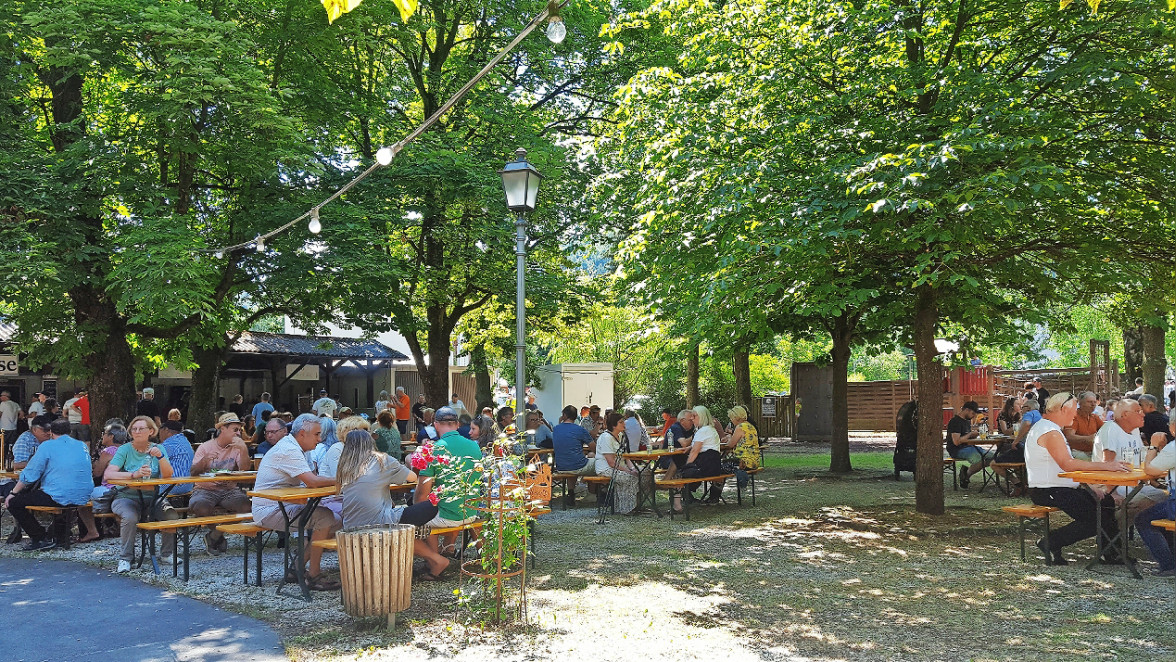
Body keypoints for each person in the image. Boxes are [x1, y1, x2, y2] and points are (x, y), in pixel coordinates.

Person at [1026, 392, 1131, 566]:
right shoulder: (1049, 431)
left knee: (1106, 503)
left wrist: (1089, 486)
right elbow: (1068, 464)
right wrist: (1107, 465)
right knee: (1094, 520)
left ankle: (1111, 551)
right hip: (1048, 490)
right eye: (1074, 410)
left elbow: (1065, 466)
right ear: (1062, 409)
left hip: (1062, 487)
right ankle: (1050, 542)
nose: (1075, 414)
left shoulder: (1051, 429)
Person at [336, 430, 446, 575]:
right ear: (371, 443)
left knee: (402, 527)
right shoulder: (381, 460)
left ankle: (435, 560)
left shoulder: (344, 465)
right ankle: (436, 558)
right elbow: (412, 477)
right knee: (430, 506)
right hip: (379, 522)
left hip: (350, 525)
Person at [252, 413, 341, 590]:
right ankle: (313, 575)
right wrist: (344, 479)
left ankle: (297, 568)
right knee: (325, 518)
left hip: (281, 505)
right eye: (316, 434)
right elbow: (312, 481)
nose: (320, 438)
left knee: (336, 521)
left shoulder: (297, 448)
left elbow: (311, 480)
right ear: (302, 434)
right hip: (268, 509)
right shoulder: (289, 450)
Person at [3, 418, 94, 551]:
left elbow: (31, 473)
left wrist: (13, 493)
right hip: (83, 494)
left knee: (14, 502)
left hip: (59, 495)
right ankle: (58, 535)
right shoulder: (82, 446)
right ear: (69, 431)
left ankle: (40, 537)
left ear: (51, 432)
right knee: (47, 493)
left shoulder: (47, 446)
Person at [105, 415, 180, 573]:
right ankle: (125, 558)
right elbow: (109, 475)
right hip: (126, 496)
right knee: (130, 517)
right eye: (134, 429)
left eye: (141, 428)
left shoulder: (158, 448)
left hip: (152, 497)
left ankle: (167, 554)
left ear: (151, 431)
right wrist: (134, 474)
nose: (137, 432)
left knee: (171, 515)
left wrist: (160, 456)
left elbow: (168, 475)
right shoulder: (124, 449)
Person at [416, 407, 482, 576]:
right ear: (458, 425)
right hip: (471, 511)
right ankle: (448, 548)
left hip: (448, 516)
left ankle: (434, 561)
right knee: (444, 505)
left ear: (435, 425)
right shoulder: (475, 447)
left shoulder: (433, 449)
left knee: (420, 513)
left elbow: (422, 495)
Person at [189, 413, 252, 556]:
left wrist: (243, 450)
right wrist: (203, 462)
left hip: (229, 489)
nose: (238, 433)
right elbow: (193, 472)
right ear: (223, 429)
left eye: (239, 430)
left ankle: (214, 535)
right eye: (235, 430)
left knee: (246, 507)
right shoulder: (205, 447)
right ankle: (219, 535)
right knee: (200, 507)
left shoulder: (237, 447)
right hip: (205, 489)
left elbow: (245, 470)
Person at [1091, 399, 1167, 515]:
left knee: (1167, 497)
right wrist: (1113, 494)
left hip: (1132, 484)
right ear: (1125, 414)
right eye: (1138, 411)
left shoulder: (1135, 430)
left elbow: (1142, 459)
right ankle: (1117, 525)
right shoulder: (1111, 429)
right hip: (1113, 486)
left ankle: (1121, 525)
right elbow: (1107, 464)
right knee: (1161, 499)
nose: (1143, 414)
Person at [2, 416, 53, 543]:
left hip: (42, 482)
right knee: (14, 499)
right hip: (18, 481)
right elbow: (18, 464)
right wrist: (39, 463)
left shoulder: (53, 440)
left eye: (50, 429)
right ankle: (34, 532)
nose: (48, 432)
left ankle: (51, 531)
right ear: (34, 430)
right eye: (45, 430)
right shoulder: (25, 440)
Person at [1135, 431, 1176, 577]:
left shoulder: (1173, 447)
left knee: (1143, 520)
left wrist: (1153, 446)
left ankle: (1168, 565)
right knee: (1159, 515)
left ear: (1173, 428)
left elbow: (1149, 470)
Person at [594, 412, 640, 513]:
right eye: (621, 422)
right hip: (606, 469)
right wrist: (628, 471)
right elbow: (611, 462)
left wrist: (633, 468)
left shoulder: (621, 435)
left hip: (620, 467)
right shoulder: (606, 438)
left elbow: (627, 457)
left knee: (644, 473)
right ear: (614, 425)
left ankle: (638, 503)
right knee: (630, 477)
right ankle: (627, 508)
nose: (624, 423)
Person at [945, 401, 993, 489]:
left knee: (993, 456)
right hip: (957, 449)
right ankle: (965, 476)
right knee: (979, 460)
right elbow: (956, 441)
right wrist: (970, 434)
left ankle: (966, 474)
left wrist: (975, 435)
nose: (974, 416)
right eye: (972, 413)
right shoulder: (955, 421)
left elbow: (967, 437)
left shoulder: (966, 421)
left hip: (969, 446)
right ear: (966, 410)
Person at [684, 405, 725, 504]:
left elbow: (695, 452)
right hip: (714, 466)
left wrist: (686, 466)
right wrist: (689, 447)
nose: (691, 418)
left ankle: (684, 498)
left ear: (702, 417)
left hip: (706, 467)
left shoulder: (703, 431)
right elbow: (702, 445)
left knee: (680, 472)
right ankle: (711, 497)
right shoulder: (710, 429)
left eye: (694, 416)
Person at [552, 406, 596, 489]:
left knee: (573, 463)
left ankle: (570, 494)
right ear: (575, 417)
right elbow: (594, 448)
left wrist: (560, 421)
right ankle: (592, 493)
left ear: (564, 415)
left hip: (560, 466)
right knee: (597, 463)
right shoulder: (580, 430)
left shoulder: (556, 429)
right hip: (577, 466)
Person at [157, 420, 194, 496]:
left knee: (145, 488)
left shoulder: (170, 443)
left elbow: (151, 461)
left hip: (173, 486)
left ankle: (163, 506)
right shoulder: (185, 441)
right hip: (188, 486)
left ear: (166, 430)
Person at [1062, 391, 1100, 459]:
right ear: (1080, 403)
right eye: (1089, 402)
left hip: (1093, 451)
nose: (1093, 404)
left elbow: (1106, 430)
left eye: (1094, 402)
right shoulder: (1073, 416)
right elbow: (1069, 437)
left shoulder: (1094, 417)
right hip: (1076, 452)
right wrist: (1088, 438)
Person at [660, 409, 695, 481]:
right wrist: (695, 435)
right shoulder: (675, 428)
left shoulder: (690, 429)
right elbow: (684, 444)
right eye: (690, 420)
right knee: (683, 463)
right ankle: (674, 486)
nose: (693, 422)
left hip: (680, 458)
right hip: (668, 459)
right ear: (682, 421)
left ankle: (684, 489)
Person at [722, 405, 761, 470]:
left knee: (718, 466)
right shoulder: (750, 426)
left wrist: (729, 438)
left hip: (744, 462)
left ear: (736, 417)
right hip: (754, 461)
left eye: (731, 418)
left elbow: (730, 445)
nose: (731, 420)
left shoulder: (740, 427)